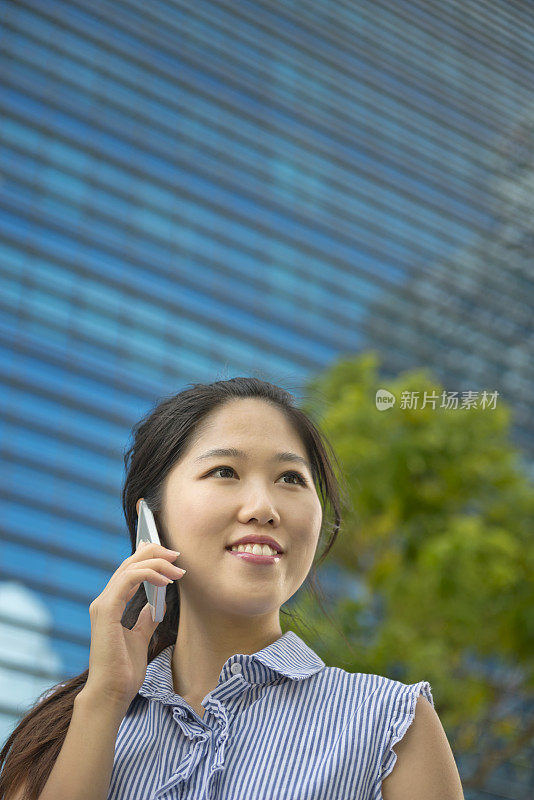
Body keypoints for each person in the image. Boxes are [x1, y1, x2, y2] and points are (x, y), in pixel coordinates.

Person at [0, 377, 464, 799]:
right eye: (225, 471)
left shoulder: (393, 724)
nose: (263, 507)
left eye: (290, 478)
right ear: (151, 521)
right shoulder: (63, 727)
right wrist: (104, 699)